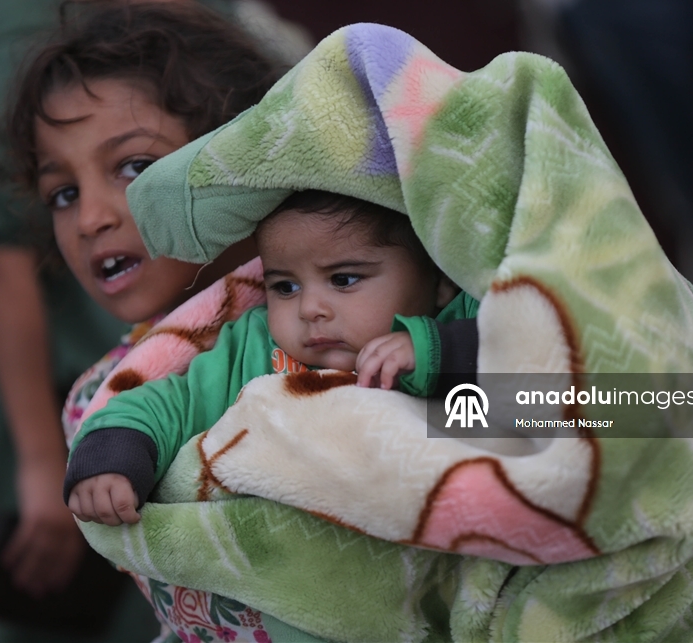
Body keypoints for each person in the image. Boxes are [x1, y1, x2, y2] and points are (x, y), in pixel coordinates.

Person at [0, 0, 276, 638]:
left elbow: (514, 407)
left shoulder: (333, 304)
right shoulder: (135, 385)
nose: (90, 218)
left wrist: (519, 402)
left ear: (230, 153)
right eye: (61, 193)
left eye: (131, 166)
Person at [63, 190, 479, 525]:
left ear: (439, 280)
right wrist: (111, 455)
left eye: (343, 279)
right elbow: (174, 402)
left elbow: (538, 414)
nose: (309, 308)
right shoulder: (259, 351)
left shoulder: (471, 326)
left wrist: (441, 356)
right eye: (285, 287)